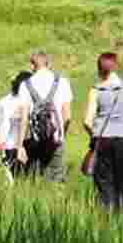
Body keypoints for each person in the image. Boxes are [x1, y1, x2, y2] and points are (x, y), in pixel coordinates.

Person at [83, 51, 123, 213]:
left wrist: (94, 135)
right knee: (122, 182)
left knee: (104, 183)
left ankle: (106, 217)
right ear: (117, 66)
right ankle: (120, 217)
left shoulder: (96, 90)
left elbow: (87, 121)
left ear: (100, 68)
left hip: (103, 140)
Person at [22, 49, 72, 183]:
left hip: (34, 141)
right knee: (57, 181)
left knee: (33, 181)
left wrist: (20, 144)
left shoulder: (26, 85)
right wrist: (61, 136)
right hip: (56, 140)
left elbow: (24, 118)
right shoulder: (62, 82)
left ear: (32, 66)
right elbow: (67, 116)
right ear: (48, 64)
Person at [0, 70, 33, 182]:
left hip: (5, 147)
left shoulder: (3, 101)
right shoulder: (28, 102)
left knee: (10, 182)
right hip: (23, 147)